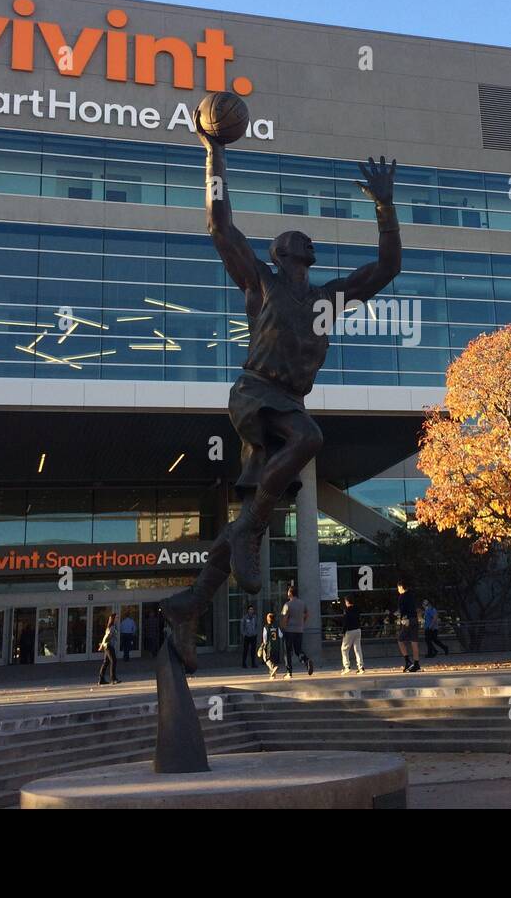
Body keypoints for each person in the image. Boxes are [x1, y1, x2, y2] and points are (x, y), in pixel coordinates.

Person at [160, 119, 401, 672]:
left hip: (284, 408)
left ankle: (189, 605)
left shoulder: (328, 299)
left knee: (243, 528)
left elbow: (387, 268)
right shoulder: (260, 283)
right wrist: (214, 156)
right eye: (301, 239)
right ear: (284, 252)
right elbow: (220, 225)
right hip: (255, 394)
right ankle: (248, 532)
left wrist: (385, 211)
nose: (309, 240)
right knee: (310, 438)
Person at [280, 585, 314, 678]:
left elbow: (285, 618)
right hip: (299, 630)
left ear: (290, 593)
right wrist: (302, 622)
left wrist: (282, 628)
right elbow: (307, 614)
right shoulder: (302, 603)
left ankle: (289, 672)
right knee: (298, 650)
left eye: (288, 591)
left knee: (287, 651)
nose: (287, 593)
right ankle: (306, 660)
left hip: (289, 630)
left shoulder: (287, 604)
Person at [395, 581, 421, 672]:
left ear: (401, 587)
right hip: (414, 619)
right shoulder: (411, 595)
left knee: (400, 639)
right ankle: (416, 663)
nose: (398, 590)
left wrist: (401, 618)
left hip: (407, 620)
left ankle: (407, 661)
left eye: (398, 588)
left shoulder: (402, 597)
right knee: (414, 642)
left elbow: (402, 610)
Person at [340, 595, 365, 675]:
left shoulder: (346, 610)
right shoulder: (357, 608)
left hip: (349, 631)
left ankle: (346, 667)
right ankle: (361, 667)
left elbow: (345, 622)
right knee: (357, 649)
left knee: (344, 649)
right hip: (358, 629)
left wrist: (343, 631)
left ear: (347, 602)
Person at [96, 614, 121, 685]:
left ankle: (101, 679)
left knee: (106, 662)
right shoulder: (112, 627)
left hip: (107, 645)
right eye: (116, 618)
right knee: (114, 661)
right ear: (113, 619)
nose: (118, 619)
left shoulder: (112, 626)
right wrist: (102, 645)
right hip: (108, 646)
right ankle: (113, 679)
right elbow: (107, 637)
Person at [259, 612, 283, 679]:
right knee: (273, 660)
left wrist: (263, 645)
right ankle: (272, 675)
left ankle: (273, 668)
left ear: (268, 619)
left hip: (269, 646)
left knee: (266, 659)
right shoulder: (277, 626)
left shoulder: (266, 627)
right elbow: (281, 635)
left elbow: (265, 638)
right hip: (276, 646)